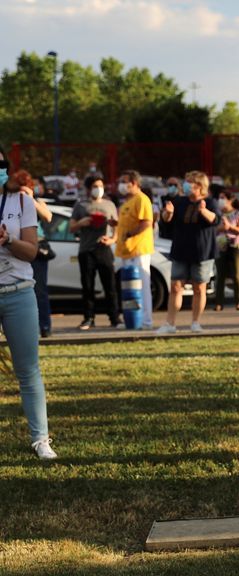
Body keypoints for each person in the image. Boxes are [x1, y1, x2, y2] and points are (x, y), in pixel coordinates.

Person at [0, 147, 57, 459]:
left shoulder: (21, 200)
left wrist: (8, 240)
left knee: (28, 370)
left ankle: (41, 440)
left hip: (18, 291)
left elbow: (32, 251)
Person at [157, 171, 220, 334]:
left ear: (199, 186)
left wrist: (203, 211)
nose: (185, 185)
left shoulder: (210, 202)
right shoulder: (179, 201)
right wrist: (168, 213)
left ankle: (195, 322)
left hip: (202, 252)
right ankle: (170, 323)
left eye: (189, 182)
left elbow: (216, 220)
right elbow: (166, 221)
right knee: (176, 287)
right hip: (180, 250)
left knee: (199, 288)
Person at [69, 175, 121, 330]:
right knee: (87, 286)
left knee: (110, 285)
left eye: (100, 185)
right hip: (86, 250)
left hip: (104, 248)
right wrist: (81, 223)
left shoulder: (110, 204)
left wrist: (112, 239)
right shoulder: (80, 205)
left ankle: (115, 317)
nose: (98, 189)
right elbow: (71, 227)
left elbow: (117, 227)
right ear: (88, 189)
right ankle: (89, 318)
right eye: (95, 186)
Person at [113, 170, 156, 329]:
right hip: (126, 250)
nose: (122, 185)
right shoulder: (127, 202)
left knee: (142, 286)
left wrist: (131, 234)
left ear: (135, 183)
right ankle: (132, 319)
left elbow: (146, 223)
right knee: (129, 287)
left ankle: (145, 320)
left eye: (125, 181)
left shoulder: (142, 199)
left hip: (139, 249)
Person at [14, 171, 54, 338]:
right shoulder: (11, 202)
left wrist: (30, 199)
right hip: (18, 249)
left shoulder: (36, 201)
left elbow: (48, 216)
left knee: (40, 290)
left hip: (37, 251)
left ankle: (44, 326)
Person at [214, 190, 239, 312]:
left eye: (223, 198)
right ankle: (218, 303)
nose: (220, 201)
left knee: (236, 275)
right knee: (220, 276)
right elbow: (212, 229)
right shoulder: (217, 214)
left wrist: (230, 227)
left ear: (230, 200)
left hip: (235, 247)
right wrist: (222, 227)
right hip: (220, 247)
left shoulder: (238, 214)